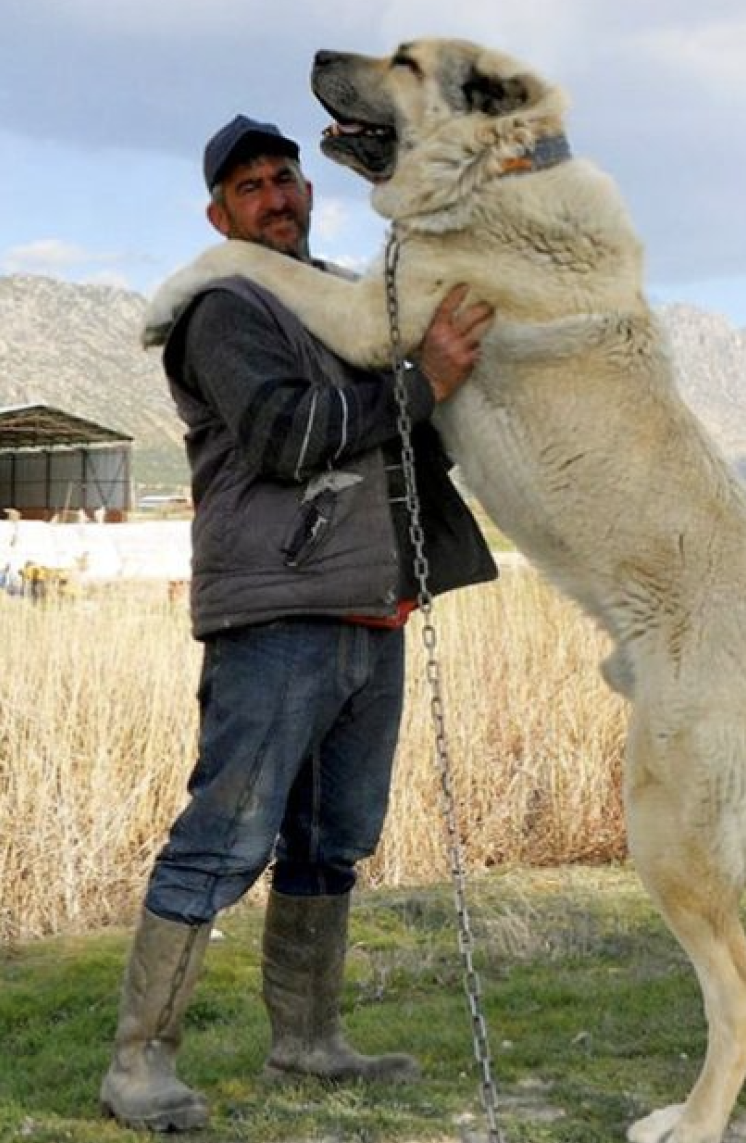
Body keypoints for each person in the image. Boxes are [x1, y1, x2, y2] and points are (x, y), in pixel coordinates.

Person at [100, 114, 498, 1132]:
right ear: (218, 215)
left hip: (372, 608)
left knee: (334, 842)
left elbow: (410, 425)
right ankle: (138, 1065)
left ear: (310, 195)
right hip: (276, 615)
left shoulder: (341, 304)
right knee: (223, 841)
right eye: (250, 187)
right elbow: (286, 434)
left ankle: (309, 1043)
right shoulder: (225, 311)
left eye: (286, 178)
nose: (275, 195)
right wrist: (421, 384)